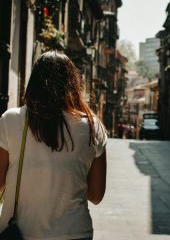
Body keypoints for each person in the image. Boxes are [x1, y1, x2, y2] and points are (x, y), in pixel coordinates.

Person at [0, 51, 107, 240]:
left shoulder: (11, 120)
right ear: (72, 84)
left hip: (22, 232)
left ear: (33, 82)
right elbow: (96, 195)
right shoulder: (91, 125)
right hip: (74, 233)